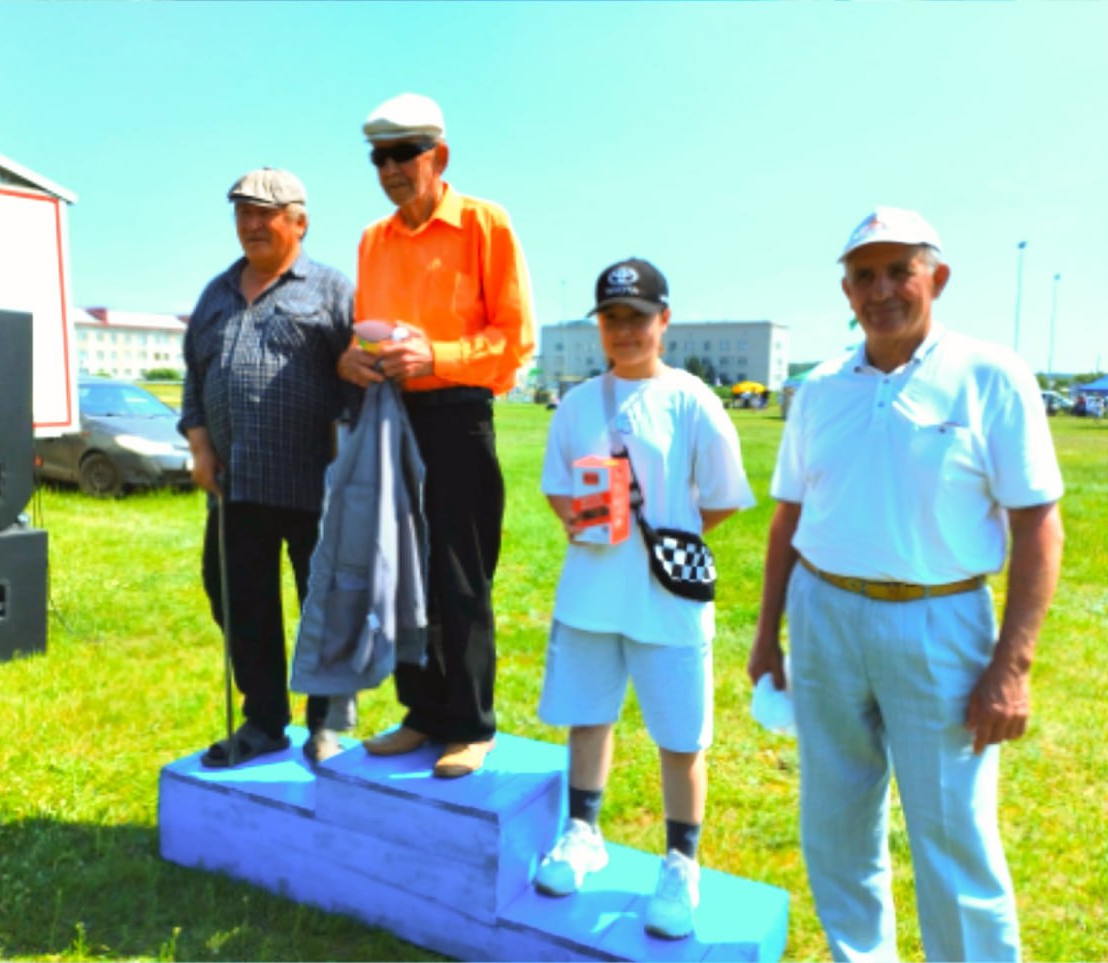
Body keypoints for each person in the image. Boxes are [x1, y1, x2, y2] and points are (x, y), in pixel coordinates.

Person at [748, 207, 1065, 961]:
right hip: (824, 614)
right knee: (835, 821)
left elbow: (1038, 526)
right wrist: (768, 635)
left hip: (940, 622)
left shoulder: (992, 375)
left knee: (954, 833)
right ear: (846, 289)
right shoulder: (820, 388)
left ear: (938, 278)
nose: (881, 289)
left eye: (900, 270)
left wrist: (1011, 666)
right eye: (864, 274)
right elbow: (788, 515)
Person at [533, 258, 754, 940]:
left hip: (667, 599)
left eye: (637, 316)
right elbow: (555, 482)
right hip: (591, 591)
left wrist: (666, 537)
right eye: (612, 318)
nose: (624, 330)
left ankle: (680, 862)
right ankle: (582, 832)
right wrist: (577, 519)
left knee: (681, 736)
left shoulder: (692, 398)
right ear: (598, 325)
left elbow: (721, 497)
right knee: (588, 716)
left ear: (664, 320)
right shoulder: (575, 402)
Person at [336, 93, 535, 778]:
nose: (389, 168)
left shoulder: (485, 224)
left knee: (459, 575)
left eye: (403, 154)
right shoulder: (372, 240)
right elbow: (365, 329)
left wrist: (438, 356)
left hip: (458, 415)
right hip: (391, 415)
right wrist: (353, 359)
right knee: (401, 574)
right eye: (378, 157)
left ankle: (472, 723)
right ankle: (422, 713)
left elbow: (515, 341)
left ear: (438, 156)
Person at [179, 167, 356, 767]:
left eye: (267, 213)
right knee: (238, 599)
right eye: (243, 213)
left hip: (316, 483)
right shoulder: (216, 294)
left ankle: (327, 721)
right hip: (236, 487)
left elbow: (358, 379)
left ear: (299, 222)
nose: (252, 224)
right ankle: (263, 720)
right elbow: (194, 380)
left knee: (323, 603)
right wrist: (201, 446)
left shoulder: (332, 291)